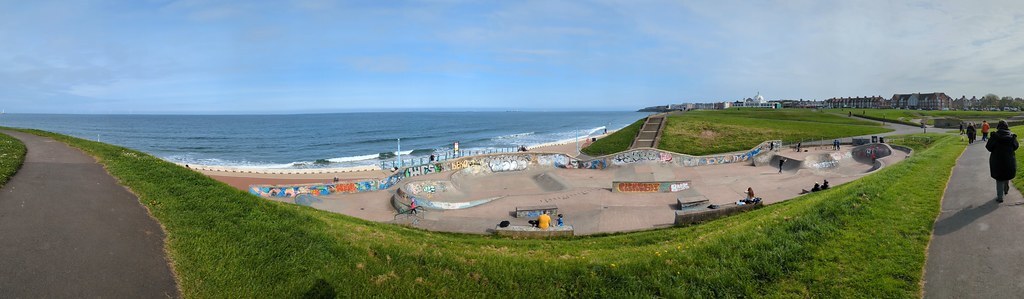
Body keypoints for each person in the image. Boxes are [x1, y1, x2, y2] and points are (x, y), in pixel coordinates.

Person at [986, 120, 1019, 203]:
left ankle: (1000, 197)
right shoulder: (1011, 137)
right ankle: (1006, 190)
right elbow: (1016, 146)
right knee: (1006, 176)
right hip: (1009, 160)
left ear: (998, 127)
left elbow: (989, 147)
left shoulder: (994, 136)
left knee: (999, 178)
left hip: (997, 160)